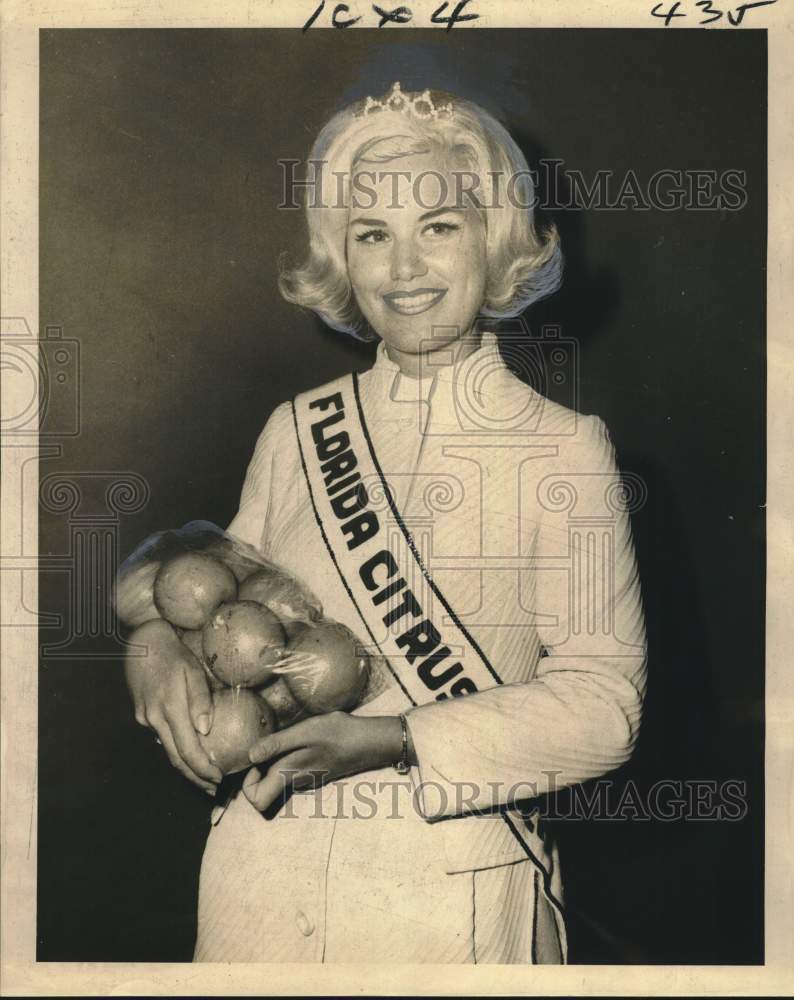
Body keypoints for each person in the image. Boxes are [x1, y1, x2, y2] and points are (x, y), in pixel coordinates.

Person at [124, 83, 647, 963]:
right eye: (372, 235)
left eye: (438, 227)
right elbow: (209, 596)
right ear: (342, 258)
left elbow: (605, 710)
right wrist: (151, 640)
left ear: (496, 238)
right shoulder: (296, 431)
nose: (404, 269)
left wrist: (393, 741)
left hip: (448, 895)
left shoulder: (564, 450)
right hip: (262, 876)